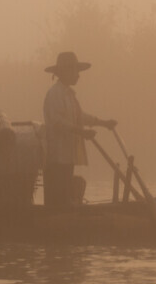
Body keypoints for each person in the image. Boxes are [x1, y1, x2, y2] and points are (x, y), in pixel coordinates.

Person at [42, 51, 116, 209]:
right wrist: (81, 132)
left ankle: (66, 214)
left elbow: (79, 116)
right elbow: (57, 122)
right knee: (57, 198)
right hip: (57, 156)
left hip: (67, 155)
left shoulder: (69, 95)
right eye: (75, 71)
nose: (78, 76)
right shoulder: (55, 94)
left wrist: (103, 123)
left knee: (65, 194)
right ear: (65, 72)